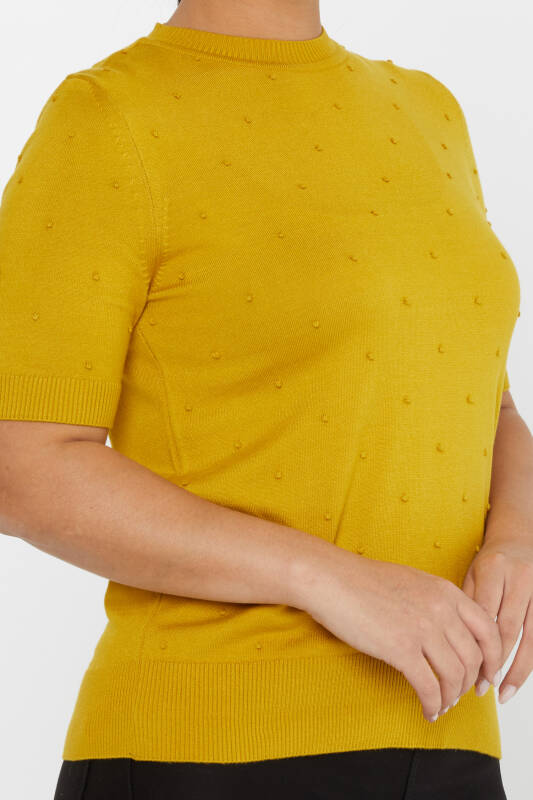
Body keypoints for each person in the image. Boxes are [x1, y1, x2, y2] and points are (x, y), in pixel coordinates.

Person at [0, 0, 530, 797]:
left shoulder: (427, 109)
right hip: (210, 751)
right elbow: (21, 466)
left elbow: (485, 400)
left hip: (449, 740)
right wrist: (328, 579)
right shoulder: (107, 116)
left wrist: (517, 536)